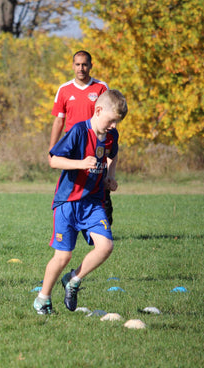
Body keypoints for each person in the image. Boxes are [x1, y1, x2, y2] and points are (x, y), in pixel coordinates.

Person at [33, 89, 128, 314]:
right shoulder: (78, 131)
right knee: (63, 255)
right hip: (68, 202)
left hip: (93, 202)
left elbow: (112, 154)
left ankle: (74, 280)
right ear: (98, 110)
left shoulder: (111, 136)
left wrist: (110, 176)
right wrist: (80, 164)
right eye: (111, 120)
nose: (114, 126)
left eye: (117, 122)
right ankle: (42, 298)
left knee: (105, 247)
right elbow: (54, 160)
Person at [50, 51, 116, 225]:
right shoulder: (64, 89)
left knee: (98, 177)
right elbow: (58, 120)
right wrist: (51, 150)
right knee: (72, 181)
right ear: (72, 66)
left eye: (85, 64)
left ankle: (103, 221)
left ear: (91, 66)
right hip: (72, 145)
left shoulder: (101, 87)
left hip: (96, 141)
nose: (81, 68)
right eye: (78, 64)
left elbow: (110, 113)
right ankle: (70, 219)